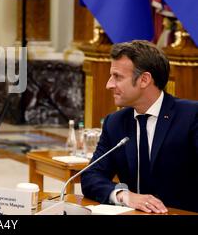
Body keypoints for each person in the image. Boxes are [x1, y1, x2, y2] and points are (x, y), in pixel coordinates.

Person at [81, 40, 198, 213]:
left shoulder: (191, 116)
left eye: (118, 77)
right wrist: (124, 195)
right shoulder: (115, 123)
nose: (109, 85)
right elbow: (90, 177)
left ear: (144, 80)